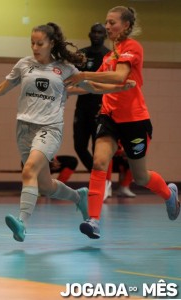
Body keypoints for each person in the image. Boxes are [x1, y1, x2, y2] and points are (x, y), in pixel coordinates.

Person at [0, 22, 135, 242]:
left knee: (28, 171)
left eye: (40, 43)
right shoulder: (24, 64)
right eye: (32, 43)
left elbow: (92, 88)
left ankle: (22, 224)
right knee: (45, 186)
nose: (35, 47)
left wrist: (120, 87)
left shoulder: (65, 68)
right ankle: (78, 197)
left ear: (51, 43)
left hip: (50, 128)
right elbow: (0, 89)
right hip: (23, 129)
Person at [64, 6, 180, 239]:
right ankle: (94, 220)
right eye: (106, 22)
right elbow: (96, 86)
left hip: (135, 121)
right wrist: (65, 88)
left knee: (140, 177)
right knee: (99, 163)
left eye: (112, 22)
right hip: (108, 117)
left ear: (126, 26)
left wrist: (84, 75)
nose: (107, 27)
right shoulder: (108, 56)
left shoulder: (132, 48)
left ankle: (169, 194)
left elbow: (118, 77)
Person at [73, 23, 109, 172]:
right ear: (89, 34)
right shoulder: (82, 54)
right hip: (82, 107)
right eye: (93, 32)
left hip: (100, 108)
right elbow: (72, 77)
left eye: (100, 32)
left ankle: (101, 181)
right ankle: (96, 173)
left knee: (98, 148)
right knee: (79, 146)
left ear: (105, 35)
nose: (96, 35)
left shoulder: (109, 56)